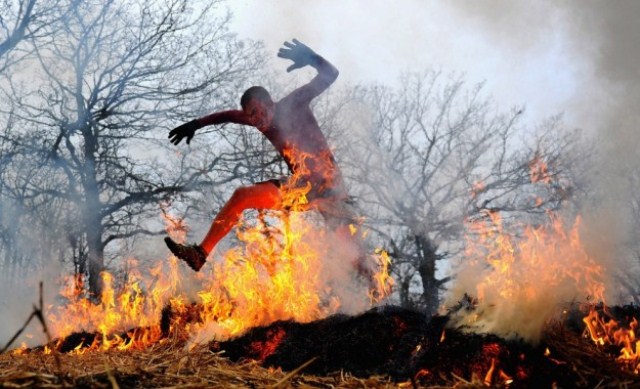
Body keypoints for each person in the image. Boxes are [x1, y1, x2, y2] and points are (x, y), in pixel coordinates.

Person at [165, 39, 364, 276]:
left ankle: (376, 291)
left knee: (352, 255)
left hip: (331, 189)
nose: (257, 119)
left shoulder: (293, 105)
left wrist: (311, 58)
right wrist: (195, 124)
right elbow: (226, 116)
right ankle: (200, 254)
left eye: (259, 111)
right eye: (251, 116)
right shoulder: (255, 120)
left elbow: (330, 74)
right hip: (302, 187)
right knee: (242, 196)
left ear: (270, 103)